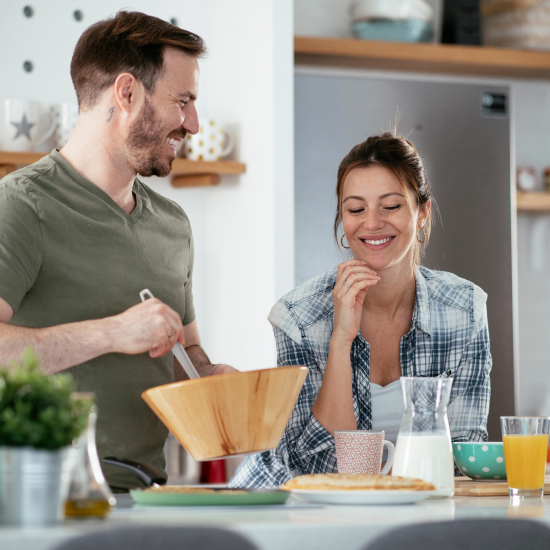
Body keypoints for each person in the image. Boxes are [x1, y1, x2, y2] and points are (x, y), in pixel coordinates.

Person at [0, 11, 234, 491]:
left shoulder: (172, 225)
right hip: (38, 497)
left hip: (144, 494)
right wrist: (111, 332)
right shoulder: (22, 205)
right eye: (183, 100)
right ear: (127, 93)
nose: (191, 122)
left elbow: (181, 353)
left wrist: (212, 381)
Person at [230, 133, 492, 487]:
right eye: (356, 209)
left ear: (422, 213)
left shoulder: (465, 309)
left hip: (428, 520)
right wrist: (341, 341)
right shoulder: (298, 318)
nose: (371, 223)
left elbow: (464, 459)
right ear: (343, 218)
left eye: (391, 206)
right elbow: (314, 470)